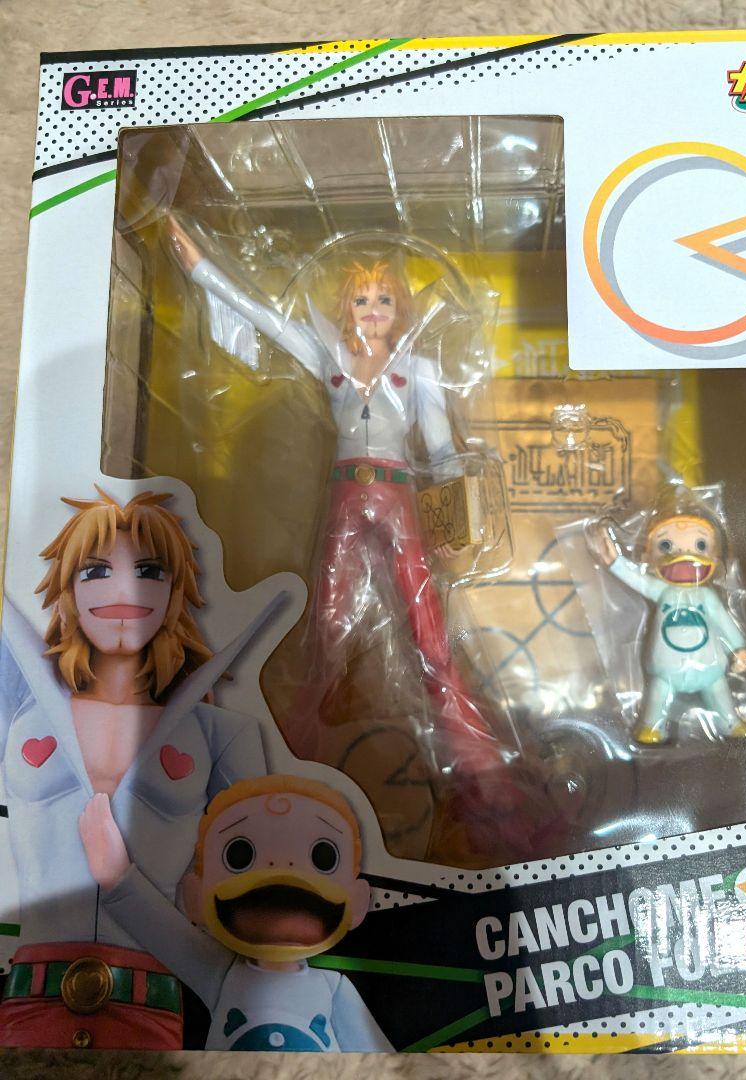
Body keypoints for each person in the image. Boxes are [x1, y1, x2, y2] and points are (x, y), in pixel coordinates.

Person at [168, 218, 538, 856]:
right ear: (345, 307)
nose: (371, 308)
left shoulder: (418, 367)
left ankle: (482, 771)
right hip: (345, 496)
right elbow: (264, 319)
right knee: (328, 635)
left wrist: (457, 520)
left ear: (401, 308)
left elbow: (442, 450)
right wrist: (202, 267)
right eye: (361, 298)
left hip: (398, 496)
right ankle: (284, 762)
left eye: (383, 298)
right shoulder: (329, 356)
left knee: (430, 635)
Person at [0, 489, 276, 1049]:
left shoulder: (221, 734)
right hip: (28, 997)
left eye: (149, 571)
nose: (124, 590)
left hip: (152, 1001)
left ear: (175, 592)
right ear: (69, 590)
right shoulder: (20, 706)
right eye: (96, 571)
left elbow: (256, 904)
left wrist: (125, 884)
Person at [79, 774, 393, 1051]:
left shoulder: (332, 990)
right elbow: (163, 931)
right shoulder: (222, 974)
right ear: (196, 895)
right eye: (239, 855)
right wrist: (117, 876)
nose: (281, 873)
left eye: (323, 857)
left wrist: (117, 878)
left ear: (357, 901)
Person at [591, 510, 746, 745]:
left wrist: (739, 648)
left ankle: (729, 722)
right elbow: (637, 580)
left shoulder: (706, 596)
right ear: (648, 556)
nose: (683, 554)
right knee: (658, 693)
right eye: (666, 545)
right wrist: (614, 562)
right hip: (666, 669)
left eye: (700, 545)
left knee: (719, 691)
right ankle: (651, 726)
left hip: (709, 666)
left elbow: (724, 622)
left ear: (714, 556)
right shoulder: (661, 591)